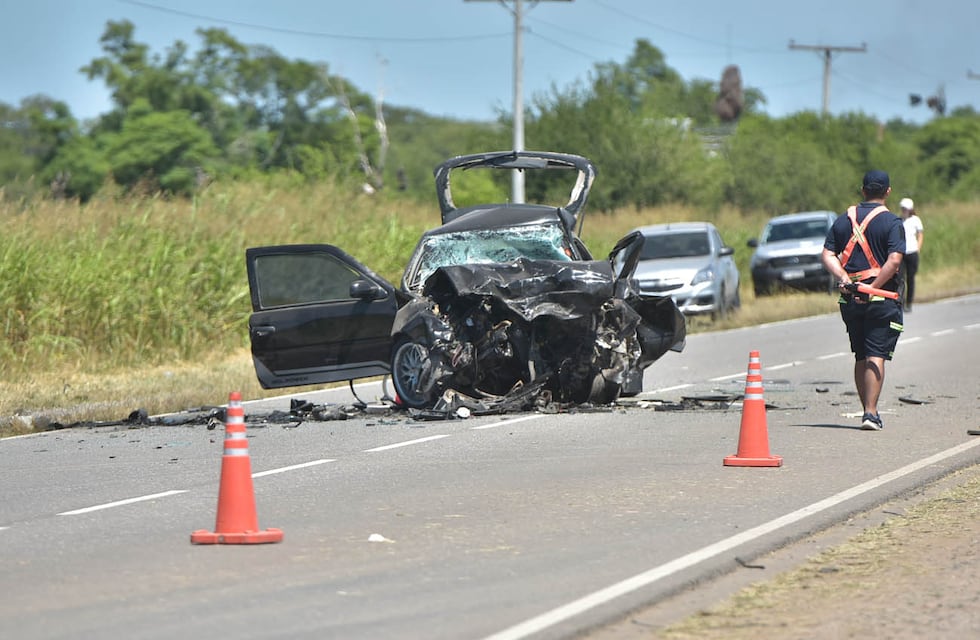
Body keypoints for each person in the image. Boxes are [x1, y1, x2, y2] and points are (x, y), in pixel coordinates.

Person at [821, 170, 905, 431]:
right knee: (875, 353)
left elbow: (827, 254)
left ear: (863, 190)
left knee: (860, 354)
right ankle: (870, 413)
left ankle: (866, 409)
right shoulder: (892, 222)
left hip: (850, 297)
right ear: (888, 192)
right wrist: (873, 287)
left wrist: (845, 277)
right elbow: (894, 260)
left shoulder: (843, 220)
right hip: (881, 297)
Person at [900, 197, 924, 311]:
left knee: (910, 278)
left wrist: (918, 248)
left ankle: (909, 303)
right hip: (902, 253)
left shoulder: (915, 220)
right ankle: (901, 301)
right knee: (900, 278)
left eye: (906, 208)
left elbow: (920, 235)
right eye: (902, 208)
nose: (904, 210)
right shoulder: (899, 220)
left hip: (912, 252)